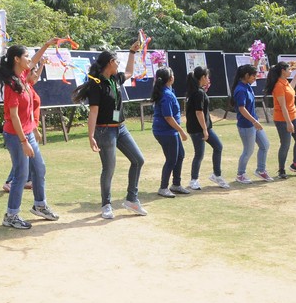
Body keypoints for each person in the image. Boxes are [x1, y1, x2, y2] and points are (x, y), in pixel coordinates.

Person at [71, 42, 146, 219]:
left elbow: (129, 72)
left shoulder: (116, 79)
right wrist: (91, 136)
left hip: (121, 128)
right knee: (109, 168)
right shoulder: (97, 84)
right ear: (110, 62)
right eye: (117, 61)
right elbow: (93, 112)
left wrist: (132, 52)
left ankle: (132, 199)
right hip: (105, 131)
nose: (118, 64)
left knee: (138, 160)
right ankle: (106, 205)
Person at [0, 40, 59, 229]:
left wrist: (47, 44)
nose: (29, 60)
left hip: (27, 133)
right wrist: (24, 141)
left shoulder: (22, 76)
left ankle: (40, 205)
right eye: (26, 56)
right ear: (17, 59)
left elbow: (35, 60)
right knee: (21, 175)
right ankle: (11, 215)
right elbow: (14, 116)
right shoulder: (11, 85)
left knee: (39, 169)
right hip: (16, 136)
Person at [2, 58, 45, 192]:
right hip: (21, 131)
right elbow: (15, 115)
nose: (36, 75)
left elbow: (35, 75)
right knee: (22, 166)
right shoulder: (19, 87)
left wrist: (42, 64)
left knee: (33, 165)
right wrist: (28, 136)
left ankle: (38, 198)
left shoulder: (28, 87)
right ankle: (10, 182)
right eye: (33, 72)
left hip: (29, 129)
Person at [185, 66, 230, 189]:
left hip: (200, 127)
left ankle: (216, 175)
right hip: (198, 129)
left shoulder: (196, 91)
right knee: (199, 154)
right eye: (207, 76)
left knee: (218, 146)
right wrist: (204, 130)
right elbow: (198, 112)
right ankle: (194, 180)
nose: (208, 79)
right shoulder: (198, 93)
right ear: (203, 77)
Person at [151, 67, 190, 198]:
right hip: (166, 131)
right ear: (170, 78)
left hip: (170, 131)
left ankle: (176, 184)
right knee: (171, 159)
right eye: (172, 74)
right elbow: (168, 117)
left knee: (180, 155)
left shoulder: (167, 91)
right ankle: (163, 187)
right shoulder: (166, 94)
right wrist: (181, 131)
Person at [230, 64, 273, 184]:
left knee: (265, 145)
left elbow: (251, 68)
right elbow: (242, 109)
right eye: (253, 75)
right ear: (246, 75)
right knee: (248, 151)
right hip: (246, 125)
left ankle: (261, 170)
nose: (255, 78)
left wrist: (257, 60)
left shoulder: (247, 85)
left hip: (254, 123)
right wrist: (254, 121)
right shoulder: (240, 90)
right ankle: (240, 174)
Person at [265, 61, 296, 179]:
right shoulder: (278, 85)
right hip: (282, 119)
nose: (291, 71)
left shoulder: (285, 82)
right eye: (289, 69)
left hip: (293, 116)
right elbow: (283, 106)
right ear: (282, 71)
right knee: (285, 144)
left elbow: (290, 90)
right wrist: (289, 123)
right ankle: (281, 170)